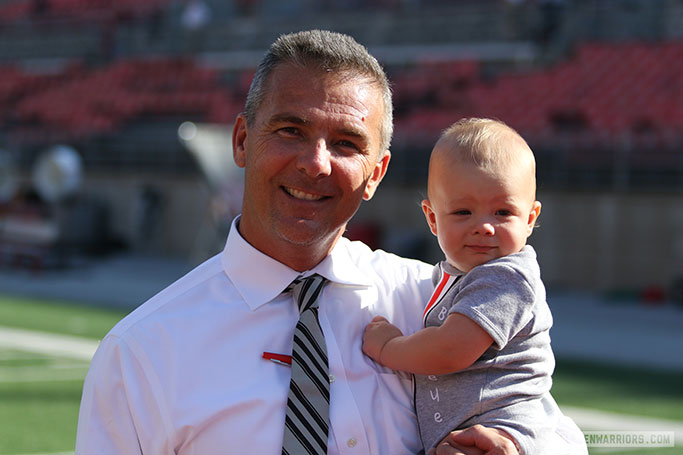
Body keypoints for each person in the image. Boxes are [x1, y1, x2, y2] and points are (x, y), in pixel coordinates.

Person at [75, 31, 521, 454]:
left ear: (376, 174)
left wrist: (518, 445)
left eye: (346, 143)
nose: (315, 164)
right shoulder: (142, 351)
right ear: (243, 141)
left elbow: (543, 416)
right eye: (291, 130)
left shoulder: (437, 304)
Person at [362, 118, 588, 454]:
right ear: (433, 219)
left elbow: (450, 350)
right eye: (463, 211)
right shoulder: (454, 276)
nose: (483, 226)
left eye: (502, 211)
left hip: (504, 431)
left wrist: (388, 348)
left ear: (529, 219)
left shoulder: (506, 277)